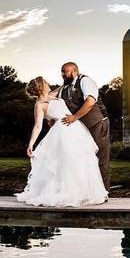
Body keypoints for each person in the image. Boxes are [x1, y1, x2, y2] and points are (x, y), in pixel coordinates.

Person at [15, 76, 108, 207]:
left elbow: (65, 85)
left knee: (80, 160)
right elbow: (37, 126)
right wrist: (31, 144)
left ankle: (83, 192)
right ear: (41, 87)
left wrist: (75, 76)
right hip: (61, 132)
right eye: (46, 82)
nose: (49, 84)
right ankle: (66, 193)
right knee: (66, 162)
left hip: (75, 128)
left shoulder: (53, 94)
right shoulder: (39, 105)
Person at [57, 62, 112, 191]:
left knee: (100, 157)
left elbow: (90, 102)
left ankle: (104, 192)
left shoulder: (85, 81)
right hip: (82, 128)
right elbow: (51, 98)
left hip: (98, 123)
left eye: (65, 71)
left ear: (74, 71)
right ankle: (88, 191)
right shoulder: (63, 89)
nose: (62, 74)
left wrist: (74, 117)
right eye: (62, 72)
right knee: (83, 158)